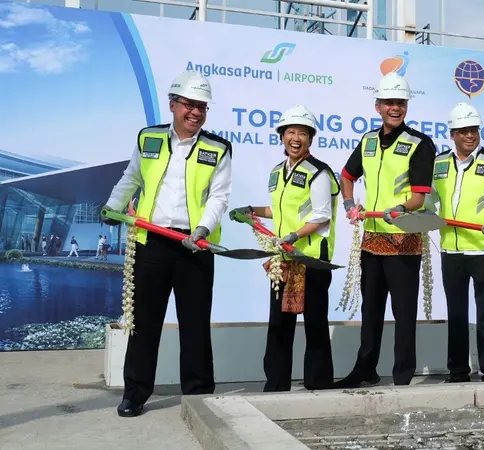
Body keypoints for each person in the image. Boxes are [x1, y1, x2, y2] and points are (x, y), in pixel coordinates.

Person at [100, 70, 233, 416]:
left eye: (202, 107)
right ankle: (135, 393)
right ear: (173, 104)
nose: (196, 113)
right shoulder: (149, 139)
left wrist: (202, 229)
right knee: (144, 323)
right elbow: (131, 178)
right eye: (189, 105)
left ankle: (198, 394)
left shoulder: (218, 148)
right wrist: (113, 206)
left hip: (194, 247)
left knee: (195, 324)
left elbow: (219, 198)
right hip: (153, 243)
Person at [334, 72, 436, 388]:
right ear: (377, 105)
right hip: (372, 242)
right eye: (389, 102)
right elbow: (346, 176)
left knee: (403, 314)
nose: (395, 108)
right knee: (371, 310)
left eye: (400, 103)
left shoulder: (420, 143)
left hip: (403, 240)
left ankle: (402, 375)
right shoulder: (367, 141)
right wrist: (349, 204)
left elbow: (420, 195)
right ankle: (365, 369)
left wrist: (403, 208)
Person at [228, 105, 339, 392]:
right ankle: (276, 385)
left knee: (314, 324)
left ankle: (319, 385)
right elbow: (277, 209)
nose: (296, 138)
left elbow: (321, 215)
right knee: (279, 324)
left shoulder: (320, 173)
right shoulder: (277, 173)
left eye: (302, 133)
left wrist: (293, 235)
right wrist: (251, 210)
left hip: (311, 259)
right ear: (282, 136)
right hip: (283, 259)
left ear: (310, 139)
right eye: (291, 131)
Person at [424, 102, 484, 383]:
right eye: (463, 131)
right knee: (457, 313)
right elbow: (431, 200)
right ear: (452, 133)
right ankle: (458, 371)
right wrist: (422, 214)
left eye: (474, 130)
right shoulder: (438, 163)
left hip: (483, 247)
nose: (470, 136)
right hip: (451, 249)